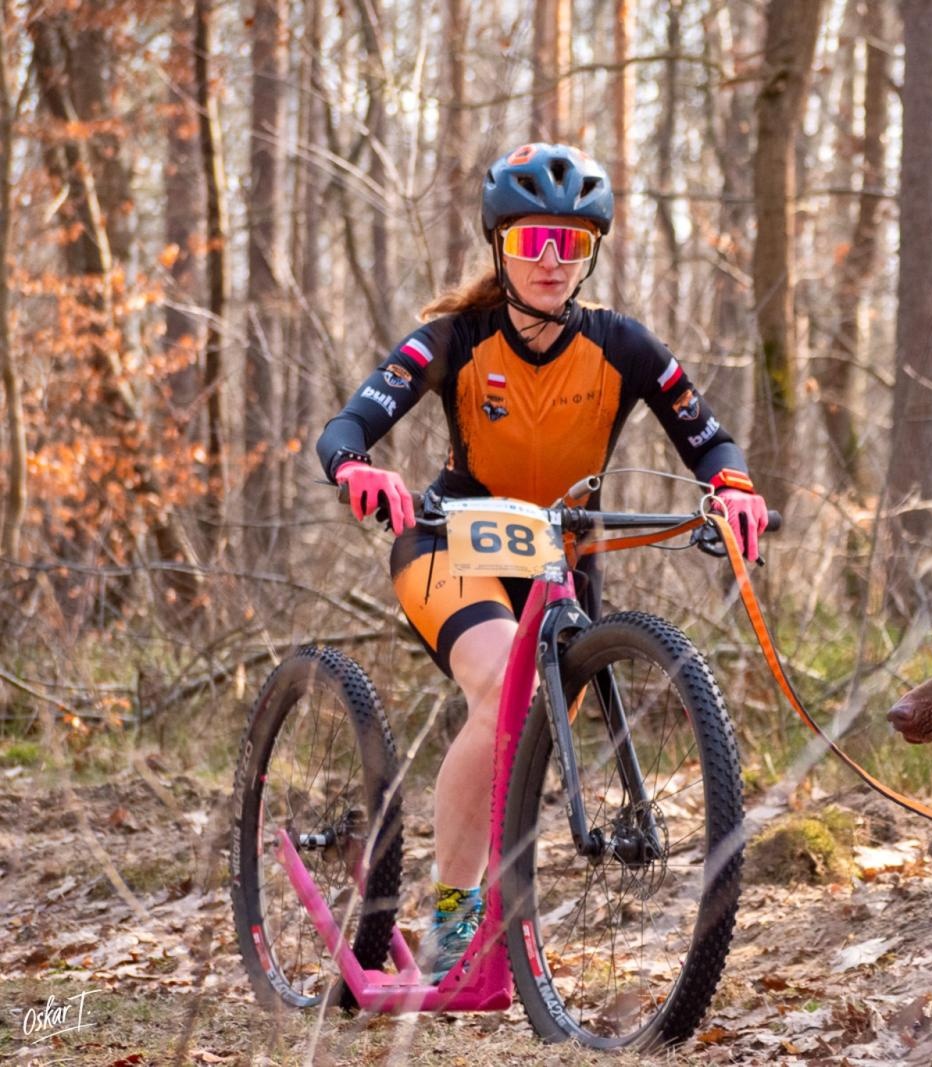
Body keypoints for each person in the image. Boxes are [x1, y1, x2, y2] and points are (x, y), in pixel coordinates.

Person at [314, 143, 769, 981]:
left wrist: (733, 487)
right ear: (500, 249)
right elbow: (347, 426)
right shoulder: (454, 338)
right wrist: (357, 468)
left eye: (570, 244)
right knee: (502, 691)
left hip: (561, 560)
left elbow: (707, 439)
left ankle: (493, 920)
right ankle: (454, 923)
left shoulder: (625, 345)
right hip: (448, 542)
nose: (551, 262)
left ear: (589, 253)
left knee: (524, 727)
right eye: (532, 243)